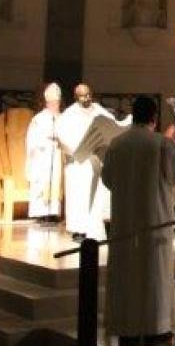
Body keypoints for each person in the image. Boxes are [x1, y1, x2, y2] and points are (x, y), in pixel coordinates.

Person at [101, 94, 175, 346]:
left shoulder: (117, 144)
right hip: (155, 222)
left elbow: (108, 179)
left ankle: (127, 330)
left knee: (127, 276)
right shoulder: (161, 144)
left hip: (125, 224)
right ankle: (156, 329)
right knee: (153, 275)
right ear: (154, 117)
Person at [57, 83, 129, 240]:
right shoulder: (69, 115)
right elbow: (62, 136)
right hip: (79, 163)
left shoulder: (98, 110)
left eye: (89, 94)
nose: (87, 98)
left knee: (102, 194)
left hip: (98, 159)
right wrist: (79, 148)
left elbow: (111, 124)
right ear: (76, 97)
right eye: (83, 96)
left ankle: (104, 226)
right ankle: (79, 230)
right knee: (80, 196)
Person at [25, 82, 63, 224]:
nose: (55, 105)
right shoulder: (39, 119)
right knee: (42, 181)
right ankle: (40, 212)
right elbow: (32, 139)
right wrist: (44, 143)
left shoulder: (62, 118)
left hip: (57, 154)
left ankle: (54, 212)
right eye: (52, 103)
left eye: (57, 103)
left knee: (56, 181)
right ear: (47, 103)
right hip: (42, 155)